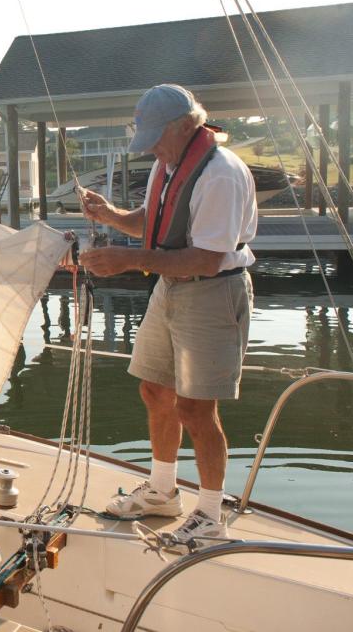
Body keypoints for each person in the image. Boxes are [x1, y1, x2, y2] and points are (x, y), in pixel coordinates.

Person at [78, 84, 256, 546]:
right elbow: (156, 222)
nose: (152, 147)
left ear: (185, 125)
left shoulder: (220, 174)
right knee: (155, 389)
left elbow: (206, 258)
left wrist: (128, 259)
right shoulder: (171, 161)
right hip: (170, 288)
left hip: (211, 292)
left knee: (197, 408)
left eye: (157, 136)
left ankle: (212, 515)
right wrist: (113, 215)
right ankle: (162, 491)